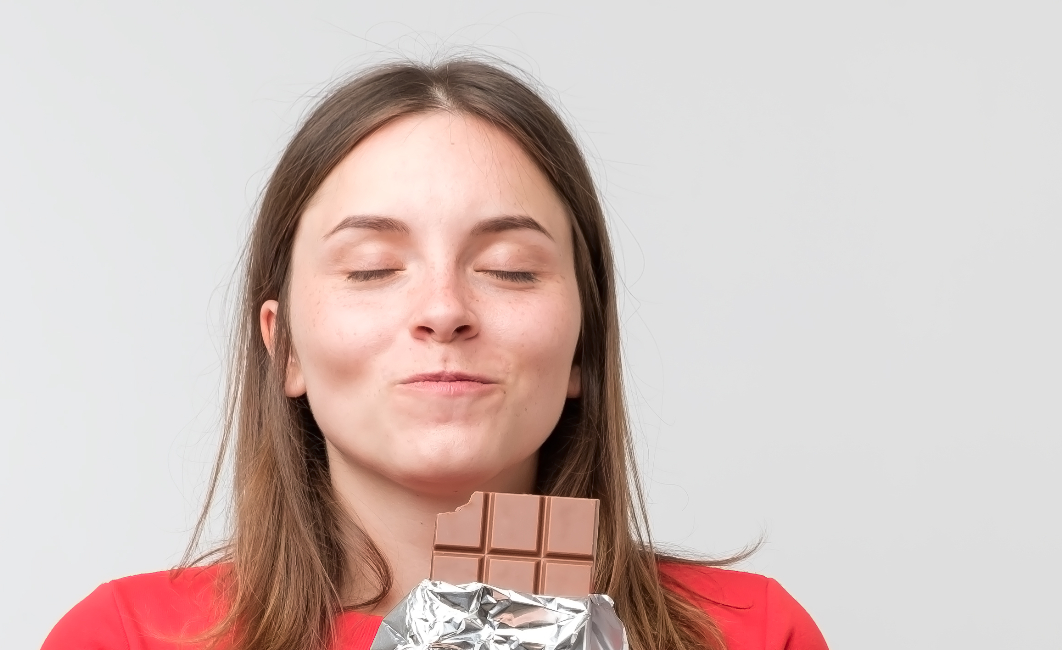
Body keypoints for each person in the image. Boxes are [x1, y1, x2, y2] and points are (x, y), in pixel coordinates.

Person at [41, 57, 828, 650]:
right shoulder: (130, 636)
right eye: (374, 269)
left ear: (585, 344)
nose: (444, 311)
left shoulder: (751, 633)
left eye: (510, 270)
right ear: (285, 351)